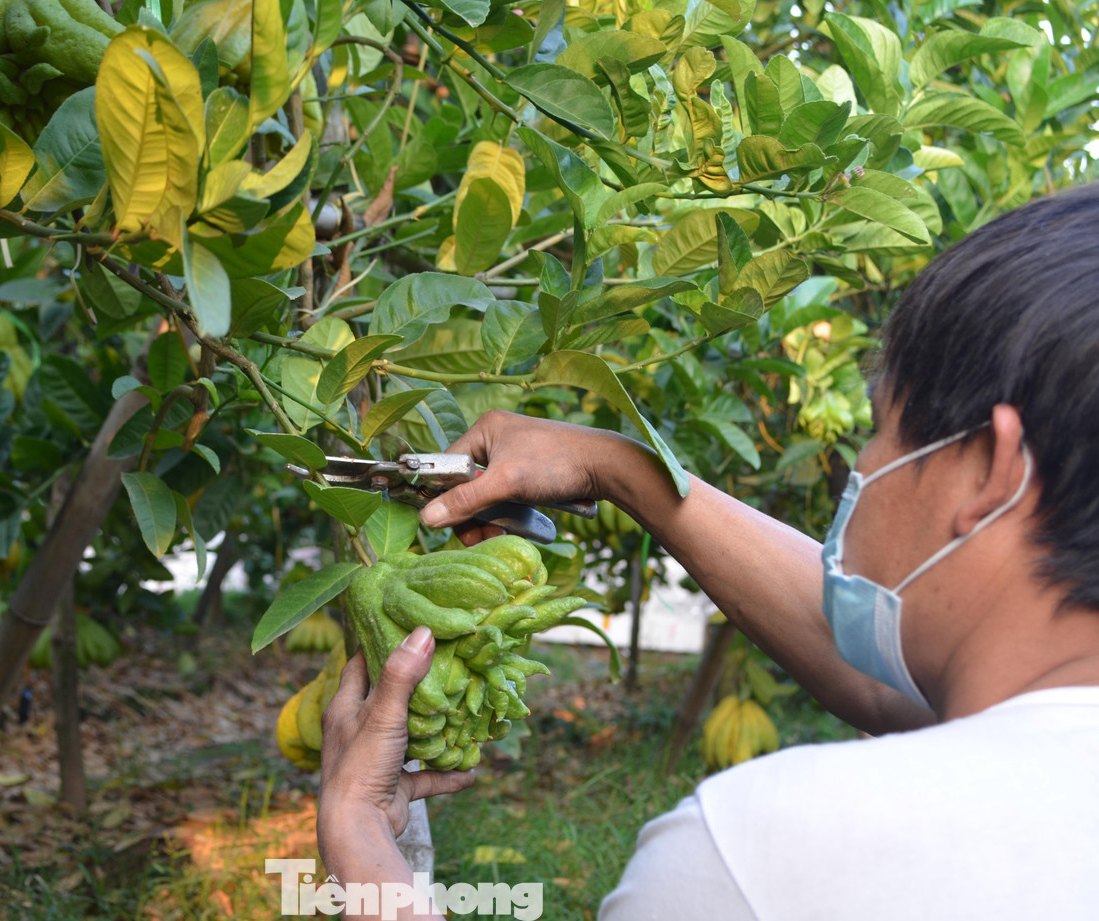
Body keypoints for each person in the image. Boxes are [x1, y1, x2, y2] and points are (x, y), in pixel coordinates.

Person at [317, 184, 1099, 920]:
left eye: (880, 427)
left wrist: (359, 839)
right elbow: (875, 671)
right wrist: (620, 466)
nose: (861, 466)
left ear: (991, 472)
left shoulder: (762, 852)